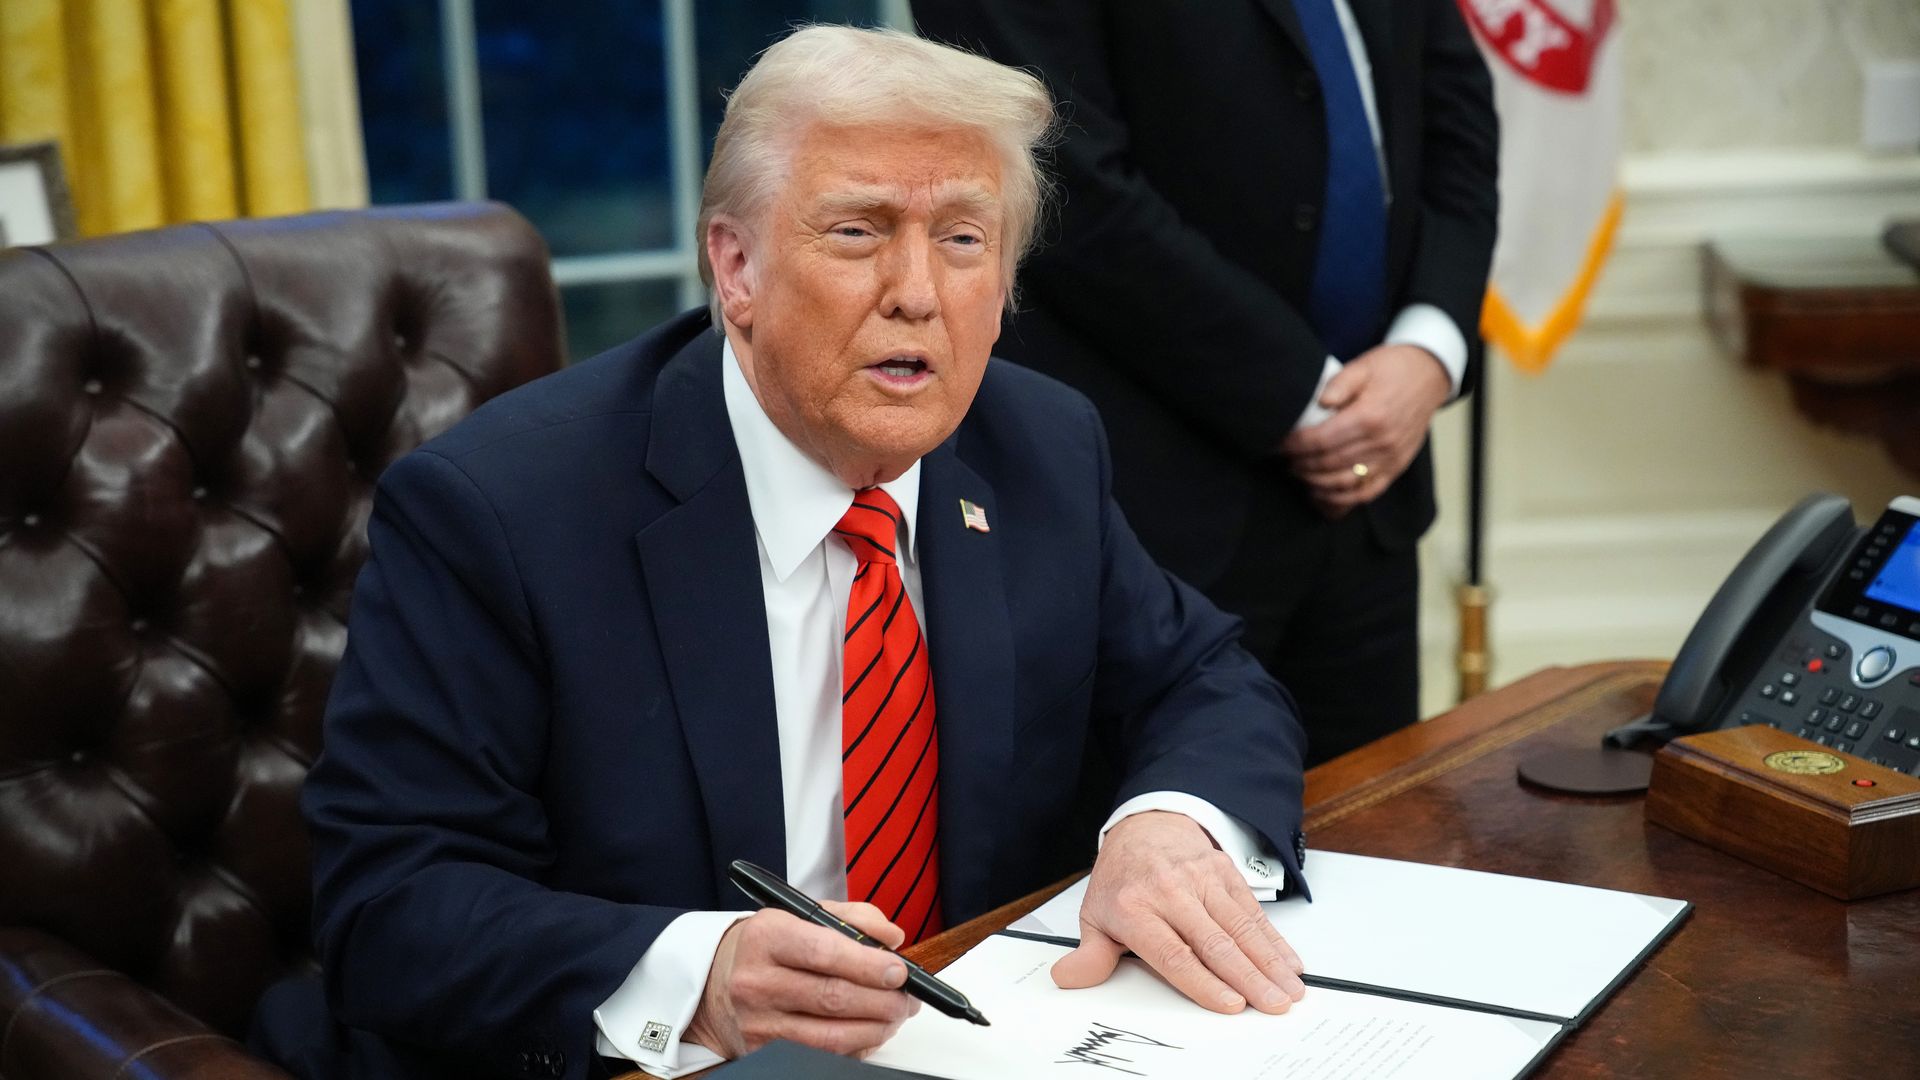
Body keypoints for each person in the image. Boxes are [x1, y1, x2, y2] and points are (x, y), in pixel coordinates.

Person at [250, 26, 1311, 1080]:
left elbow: (1203, 676)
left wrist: (1169, 827)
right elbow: (392, 904)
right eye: (857, 232)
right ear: (736, 265)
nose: (917, 293)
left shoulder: (1036, 446)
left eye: (963, 239)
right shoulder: (501, 511)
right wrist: (699, 974)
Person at [913, 0, 1500, 763]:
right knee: (1155, 861)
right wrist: (1305, 396)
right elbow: (1059, 175)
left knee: (1373, 845)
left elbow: (1458, 118)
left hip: (1370, 497)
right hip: (1145, 512)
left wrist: (1430, 349)